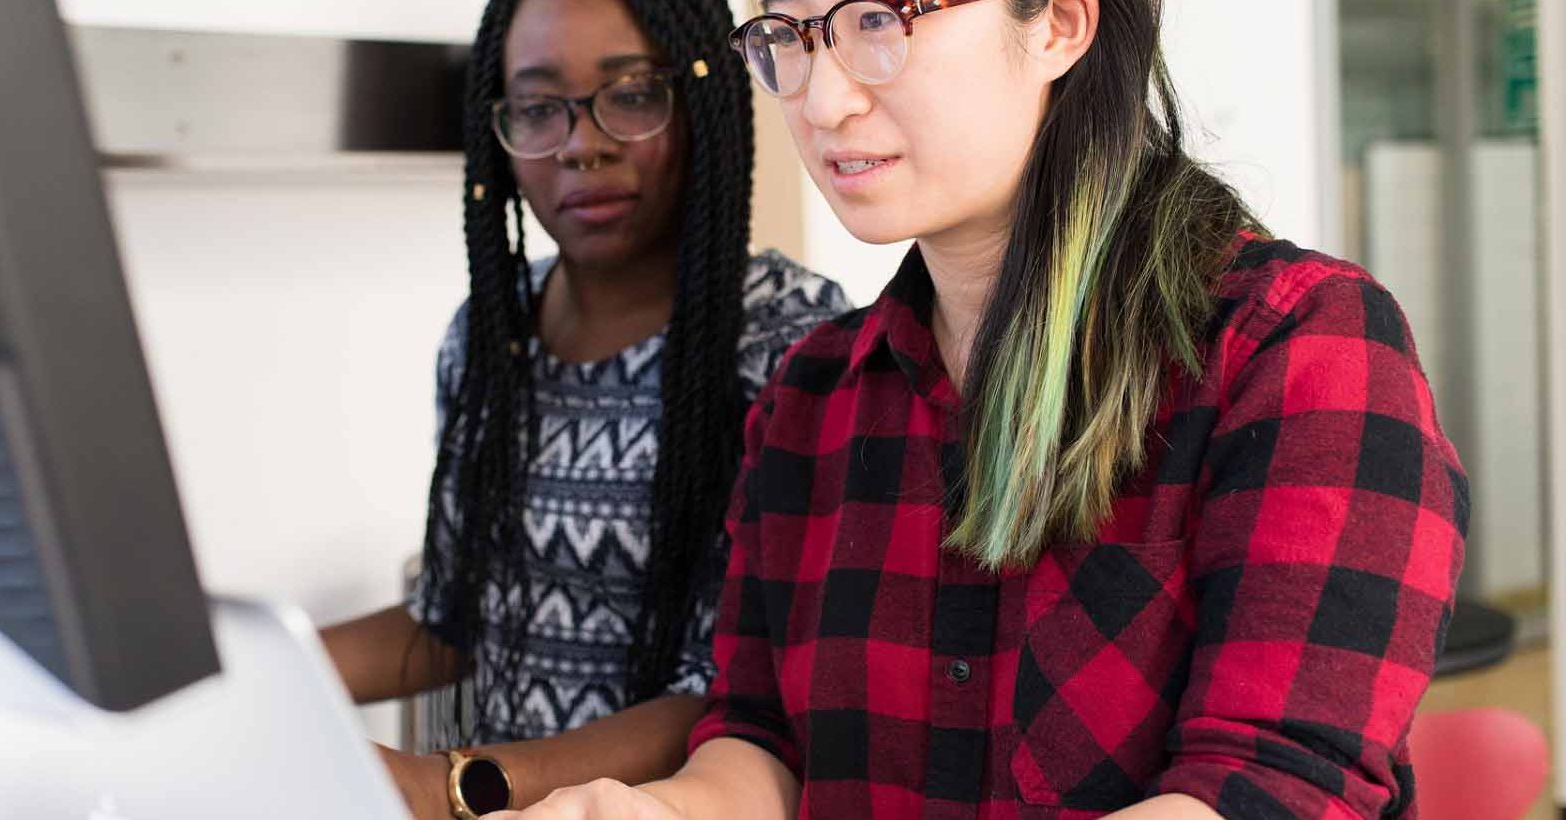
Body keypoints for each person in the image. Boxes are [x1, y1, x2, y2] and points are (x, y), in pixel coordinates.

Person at [494, 0, 1466, 818]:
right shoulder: (812, 395)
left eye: (877, 20)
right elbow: (761, 739)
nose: (825, 100)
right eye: (789, 36)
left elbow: (1271, 786)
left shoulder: (1298, 347)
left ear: (1060, 24)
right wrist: (659, 807)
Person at [318, 0, 851, 817]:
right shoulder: (491, 336)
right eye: (537, 109)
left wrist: (454, 784)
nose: (581, 144)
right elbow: (456, 617)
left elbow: (737, 694)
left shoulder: (788, 344)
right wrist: (249, 673)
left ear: (701, 98)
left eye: (632, 94)